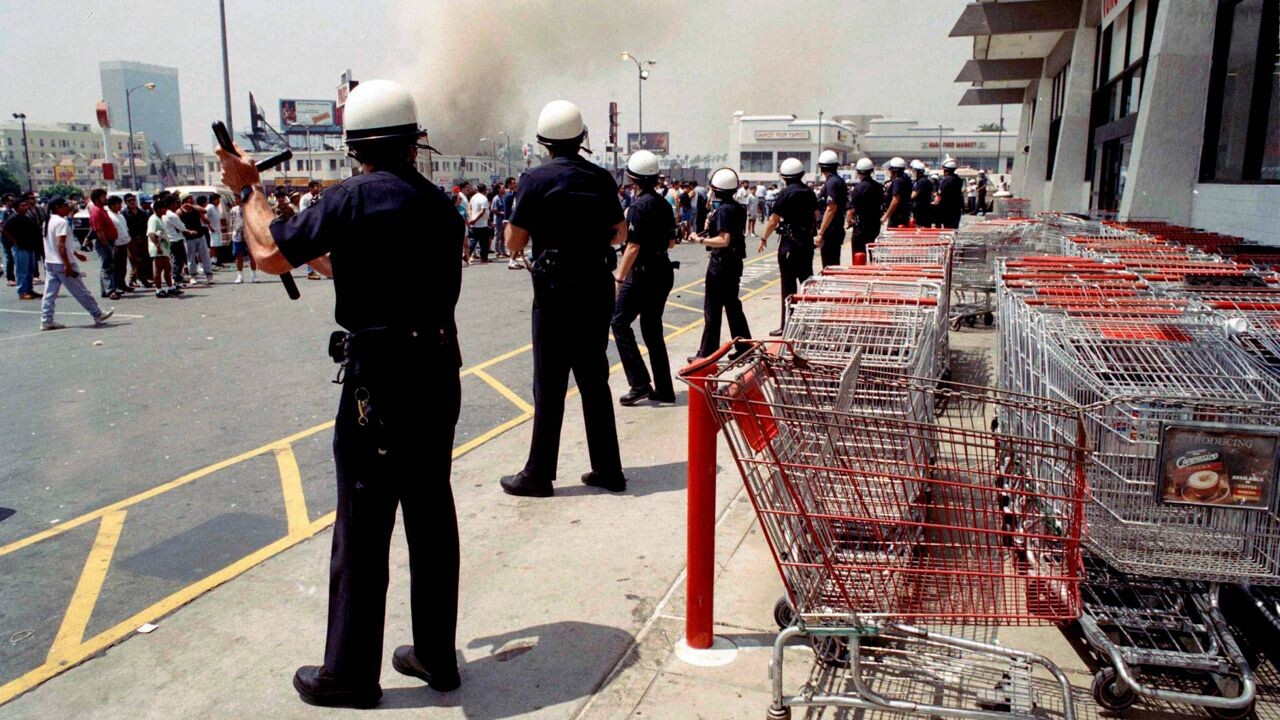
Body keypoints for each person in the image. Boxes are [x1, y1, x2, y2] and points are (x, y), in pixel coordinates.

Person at [217, 78, 465, 707]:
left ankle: (351, 673)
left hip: (380, 381)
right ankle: (437, 655)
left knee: (363, 523)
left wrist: (248, 191)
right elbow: (362, 262)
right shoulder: (440, 206)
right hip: (437, 371)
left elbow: (269, 252)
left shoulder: (351, 197)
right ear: (413, 141)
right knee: (431, 515)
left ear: (354, 143)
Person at [499, 99, 627, 498]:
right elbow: (621, 232)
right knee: (594, 380)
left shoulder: (534, 180)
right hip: (596, 285)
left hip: (555, 292)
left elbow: (514, 243)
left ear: (544, 142)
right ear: (581, 137)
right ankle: (608, 468)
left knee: (550, 384)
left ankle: (539, 474)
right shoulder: (601, 178)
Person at [611, 150, 677, 407]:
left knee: (619, 322)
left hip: (642, 274)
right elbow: (671, 243)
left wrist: (619, 279)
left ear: (632, 178)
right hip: (663, 270)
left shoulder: (638, 207)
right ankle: (664, 388)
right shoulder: (664, 204)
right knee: (652, 330)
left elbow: (633, 247)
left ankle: (639, 383)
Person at [691, 167, 751, 359]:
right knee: (732, 306)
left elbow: (724, 240)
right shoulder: (737, 208)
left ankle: (707, 353)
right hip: (733, 263)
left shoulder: (723, 210)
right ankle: (744, 346)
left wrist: (700, 239)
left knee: (712, 309)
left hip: (721, 264)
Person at [758, 157, 816, 335]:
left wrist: (764, 238)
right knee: (807, 283)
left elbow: (773, 220)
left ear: (784, 176)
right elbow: (816, 215)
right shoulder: (809, 192)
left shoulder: (785, 194)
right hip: (806, 243)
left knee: (788, 286)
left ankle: (787, 326)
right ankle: (808, 323)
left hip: (789, 244)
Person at [40, 197, 114, 330]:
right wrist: (67, 264)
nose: (68, 207)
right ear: (57, 207)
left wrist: (75, 254)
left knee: (49, 293)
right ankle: (97, 313)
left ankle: (46, 319)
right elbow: (60, 245)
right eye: (65, 205)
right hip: (62, 263)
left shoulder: (48, 221)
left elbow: (58, 245)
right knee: (80, 290)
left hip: (51, 262)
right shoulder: (61, 222)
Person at [2, 197, 42, 299]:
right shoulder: (13, 218)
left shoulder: (27, 217)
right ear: (16, 208)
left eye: (26, 205)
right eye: (23, 206)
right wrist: (14, 241)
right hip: (20, 248)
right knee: (22, 271)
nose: (26, 207)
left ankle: (29, 289)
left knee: (30, 271)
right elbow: (4, 229)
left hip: (30, 247)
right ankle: (22, 291)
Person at [87, 188, 122, 300]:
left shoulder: (102, 210)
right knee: (107, 267)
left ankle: (105, 291)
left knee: (107, 265)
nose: (105, 199)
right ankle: (110, 290)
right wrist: (107, 245)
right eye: (103, 197)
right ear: (97, 199)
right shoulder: (96, 212)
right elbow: (99, 232)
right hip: (104, 242)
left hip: (109, 241)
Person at [815, 150, 847, 268]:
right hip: (835, 228)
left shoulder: (832, 183)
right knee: (832, 263)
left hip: (831, 231)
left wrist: (821, 232)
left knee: (829, 265)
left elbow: (831, 208)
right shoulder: (837, 181)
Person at [847, 158, 884, 258]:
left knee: (859, 255)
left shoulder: (857, 188)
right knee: (874, 254)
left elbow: (851, 210)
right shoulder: (878, 187)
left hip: (860, 226)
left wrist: (849, 221)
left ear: (858, 172)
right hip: (875, 225)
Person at [147, 196, 179, 297]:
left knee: (167, 268)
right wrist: (157, 246)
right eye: (164, 208)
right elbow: (151, 234)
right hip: (158, 248)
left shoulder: (161, 218)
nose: (165, 210)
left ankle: (170, 287)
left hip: (164, 247)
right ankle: (158, 289)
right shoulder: (153, 219)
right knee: (158, 269)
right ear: (158, 209)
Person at [178, 195, 214, 284]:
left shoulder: (195, 208)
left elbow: (204, 211)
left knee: (205, 256)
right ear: (184, 200)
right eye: (189, 198)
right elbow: (175, 220)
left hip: (200, 235)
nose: (192, 199)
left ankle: (209, 275)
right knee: (191, 258)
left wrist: (192, 206)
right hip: (189, 238)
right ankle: (193, 276)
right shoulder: (180, 211)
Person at [123, 194, 154, 288]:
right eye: (129, 201)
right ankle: (143, 280)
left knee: (145, 259)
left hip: (143, 238)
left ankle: (133, 279)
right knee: (135, 260)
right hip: (131, 240)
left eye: (133, 200)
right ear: (126, 202)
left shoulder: (142, 212)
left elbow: (148, 225)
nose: (132, 202)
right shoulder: (124, 214)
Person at [106, 196, 132, 293]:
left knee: (123, 266)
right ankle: (116, 286)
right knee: (116, 267)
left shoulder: (120, 216)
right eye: (118, 204)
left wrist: (129, 241)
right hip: (116, 244)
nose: (120, 206)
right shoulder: (109, 216)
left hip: (124, 243)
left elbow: (126, 229)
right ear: (112, 205)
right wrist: (113, 245)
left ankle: (122, 284)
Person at [231, 195, 258, 283]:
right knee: (238, 255)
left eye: (237, 198)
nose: (235, 200)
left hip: (250, 235)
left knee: (252, 255)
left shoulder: (250, 209)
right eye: (235, 199)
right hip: (237, 235)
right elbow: (232, 223)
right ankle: (240, 276)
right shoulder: (233, 210)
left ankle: (254, 275)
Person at [881, 157, 912, 229]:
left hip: (897, 216)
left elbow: (895, 200)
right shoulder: (905, 178)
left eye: (890, 169)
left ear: (893, 170)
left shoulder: (898, 181)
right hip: (903, 214)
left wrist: (886, 216)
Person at [933, 158, 965, 229]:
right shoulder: (959, 180)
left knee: (947, 229)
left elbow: (939, 196)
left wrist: (934, 204)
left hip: (946, 209)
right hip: (956, 209)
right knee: (954, 229)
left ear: (945, 169)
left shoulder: (945, 180)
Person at [467, 182, 492, 263]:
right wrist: (474, 220)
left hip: (475, 224)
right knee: (484, 242)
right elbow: (482, 211)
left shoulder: (473, 197)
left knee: (473, 240)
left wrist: (471, 218)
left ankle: (466, 255)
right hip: (482, 224)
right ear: (485, 189)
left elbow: (469, 208)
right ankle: (483, 258)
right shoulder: (484, 198)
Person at [909, 160, 934, 228]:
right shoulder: (920, 180)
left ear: (918, 171)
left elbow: (913, 195)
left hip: (922, 211)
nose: (912, 172)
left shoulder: (921, 181)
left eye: (913, 171)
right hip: (921, 210)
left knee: (921, 229)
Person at [205, 194, 226, 267]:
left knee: (216, 246)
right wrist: (209, 227)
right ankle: (210, 261)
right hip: (212, 230)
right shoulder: (209, 207)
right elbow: (205, 217)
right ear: (213, 200)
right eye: (218, 199)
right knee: (212, 246)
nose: (219, 201)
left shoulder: (216, 207)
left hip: (217, 229)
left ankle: (215, 260)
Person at [0, 194, 14, 286]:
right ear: (6, 202)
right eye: (11, 200)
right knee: (9, 257)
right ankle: (10, 278)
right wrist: (9, 236)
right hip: (6, 237)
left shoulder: (12, 211)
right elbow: (1, 226)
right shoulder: (4, 212)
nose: (13, 202)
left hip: (12, 236)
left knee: (12, 257)